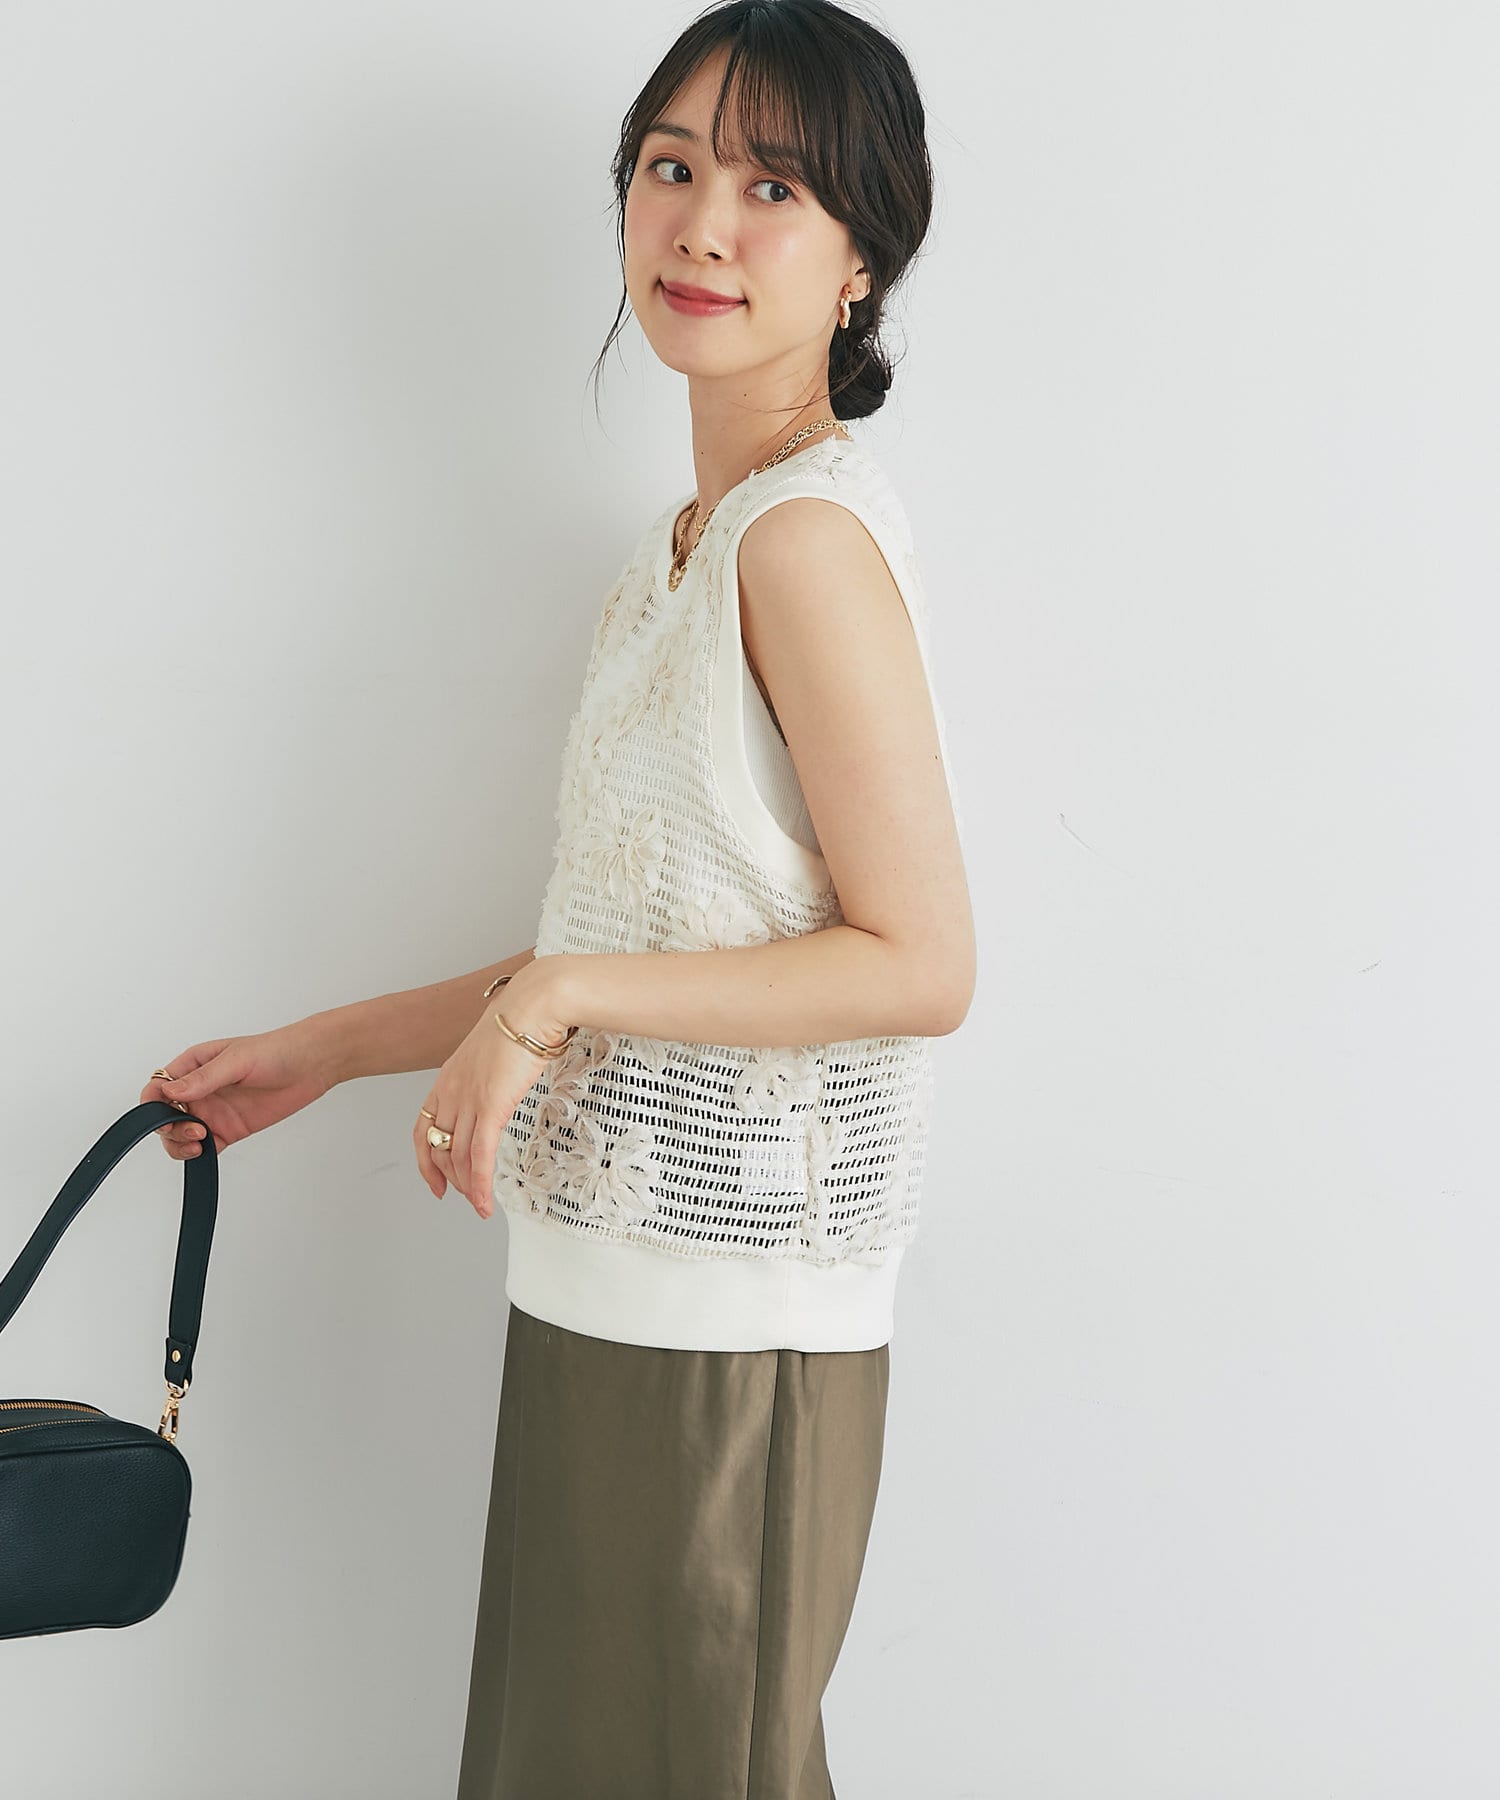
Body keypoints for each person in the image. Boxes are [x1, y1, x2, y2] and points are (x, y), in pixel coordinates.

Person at [142, 1, 974, 1793]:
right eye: (671, 169)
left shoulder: (804, 544)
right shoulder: (677, 557)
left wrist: (555, 1002)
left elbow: (921, 962)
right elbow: (643, 950)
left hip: (733, 1333)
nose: (703, 225)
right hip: (607, 1290)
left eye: (773, 188)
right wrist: (320, 1053)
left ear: (862, 260)